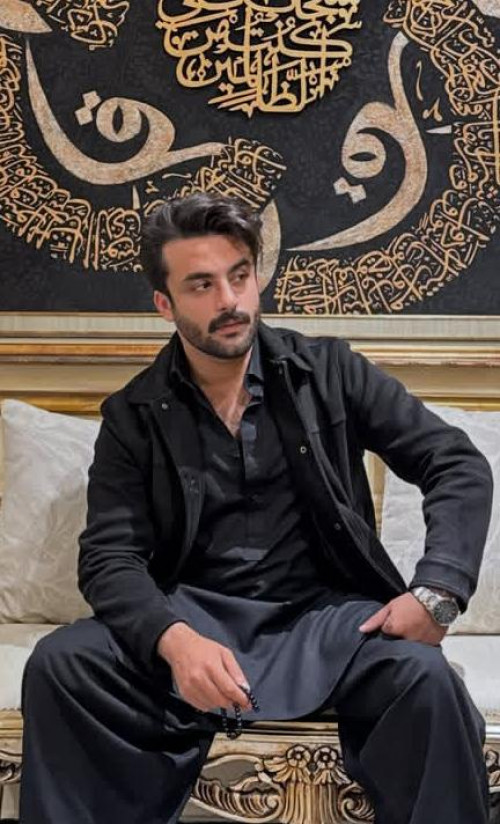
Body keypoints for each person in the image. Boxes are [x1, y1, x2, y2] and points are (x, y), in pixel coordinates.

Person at [20, 193, 493, 824]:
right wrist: (173, 641)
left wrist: (438, 592)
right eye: (202, 285)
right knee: (61, 664)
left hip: (331, 623)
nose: (230, 300)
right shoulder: (133, 416)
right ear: (164, 304)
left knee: (426, 681)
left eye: (240, 275)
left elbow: (455, 462)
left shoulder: (330, 370)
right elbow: (110, 557)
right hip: (195, 620)